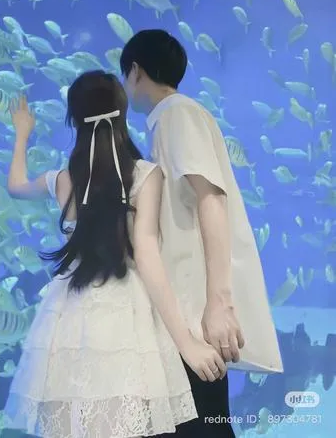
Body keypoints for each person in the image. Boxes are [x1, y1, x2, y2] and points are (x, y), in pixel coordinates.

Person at [3, 70, 228, 438]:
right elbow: (147, 254)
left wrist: (22, 133)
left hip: (69, 317)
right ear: (122, 115)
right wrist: (186, 344)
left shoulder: (63, 179)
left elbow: (15, 187)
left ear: (74, 121)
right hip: (129, 316)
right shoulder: (145, 175)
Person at [120, 29, 283, 438]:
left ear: (135, 71)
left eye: (125, 75)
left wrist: (219, 303)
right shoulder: (171, 119)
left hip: (195, 318)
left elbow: (211, 197)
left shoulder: (177, 114)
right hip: (186, 315)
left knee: (202, 425)